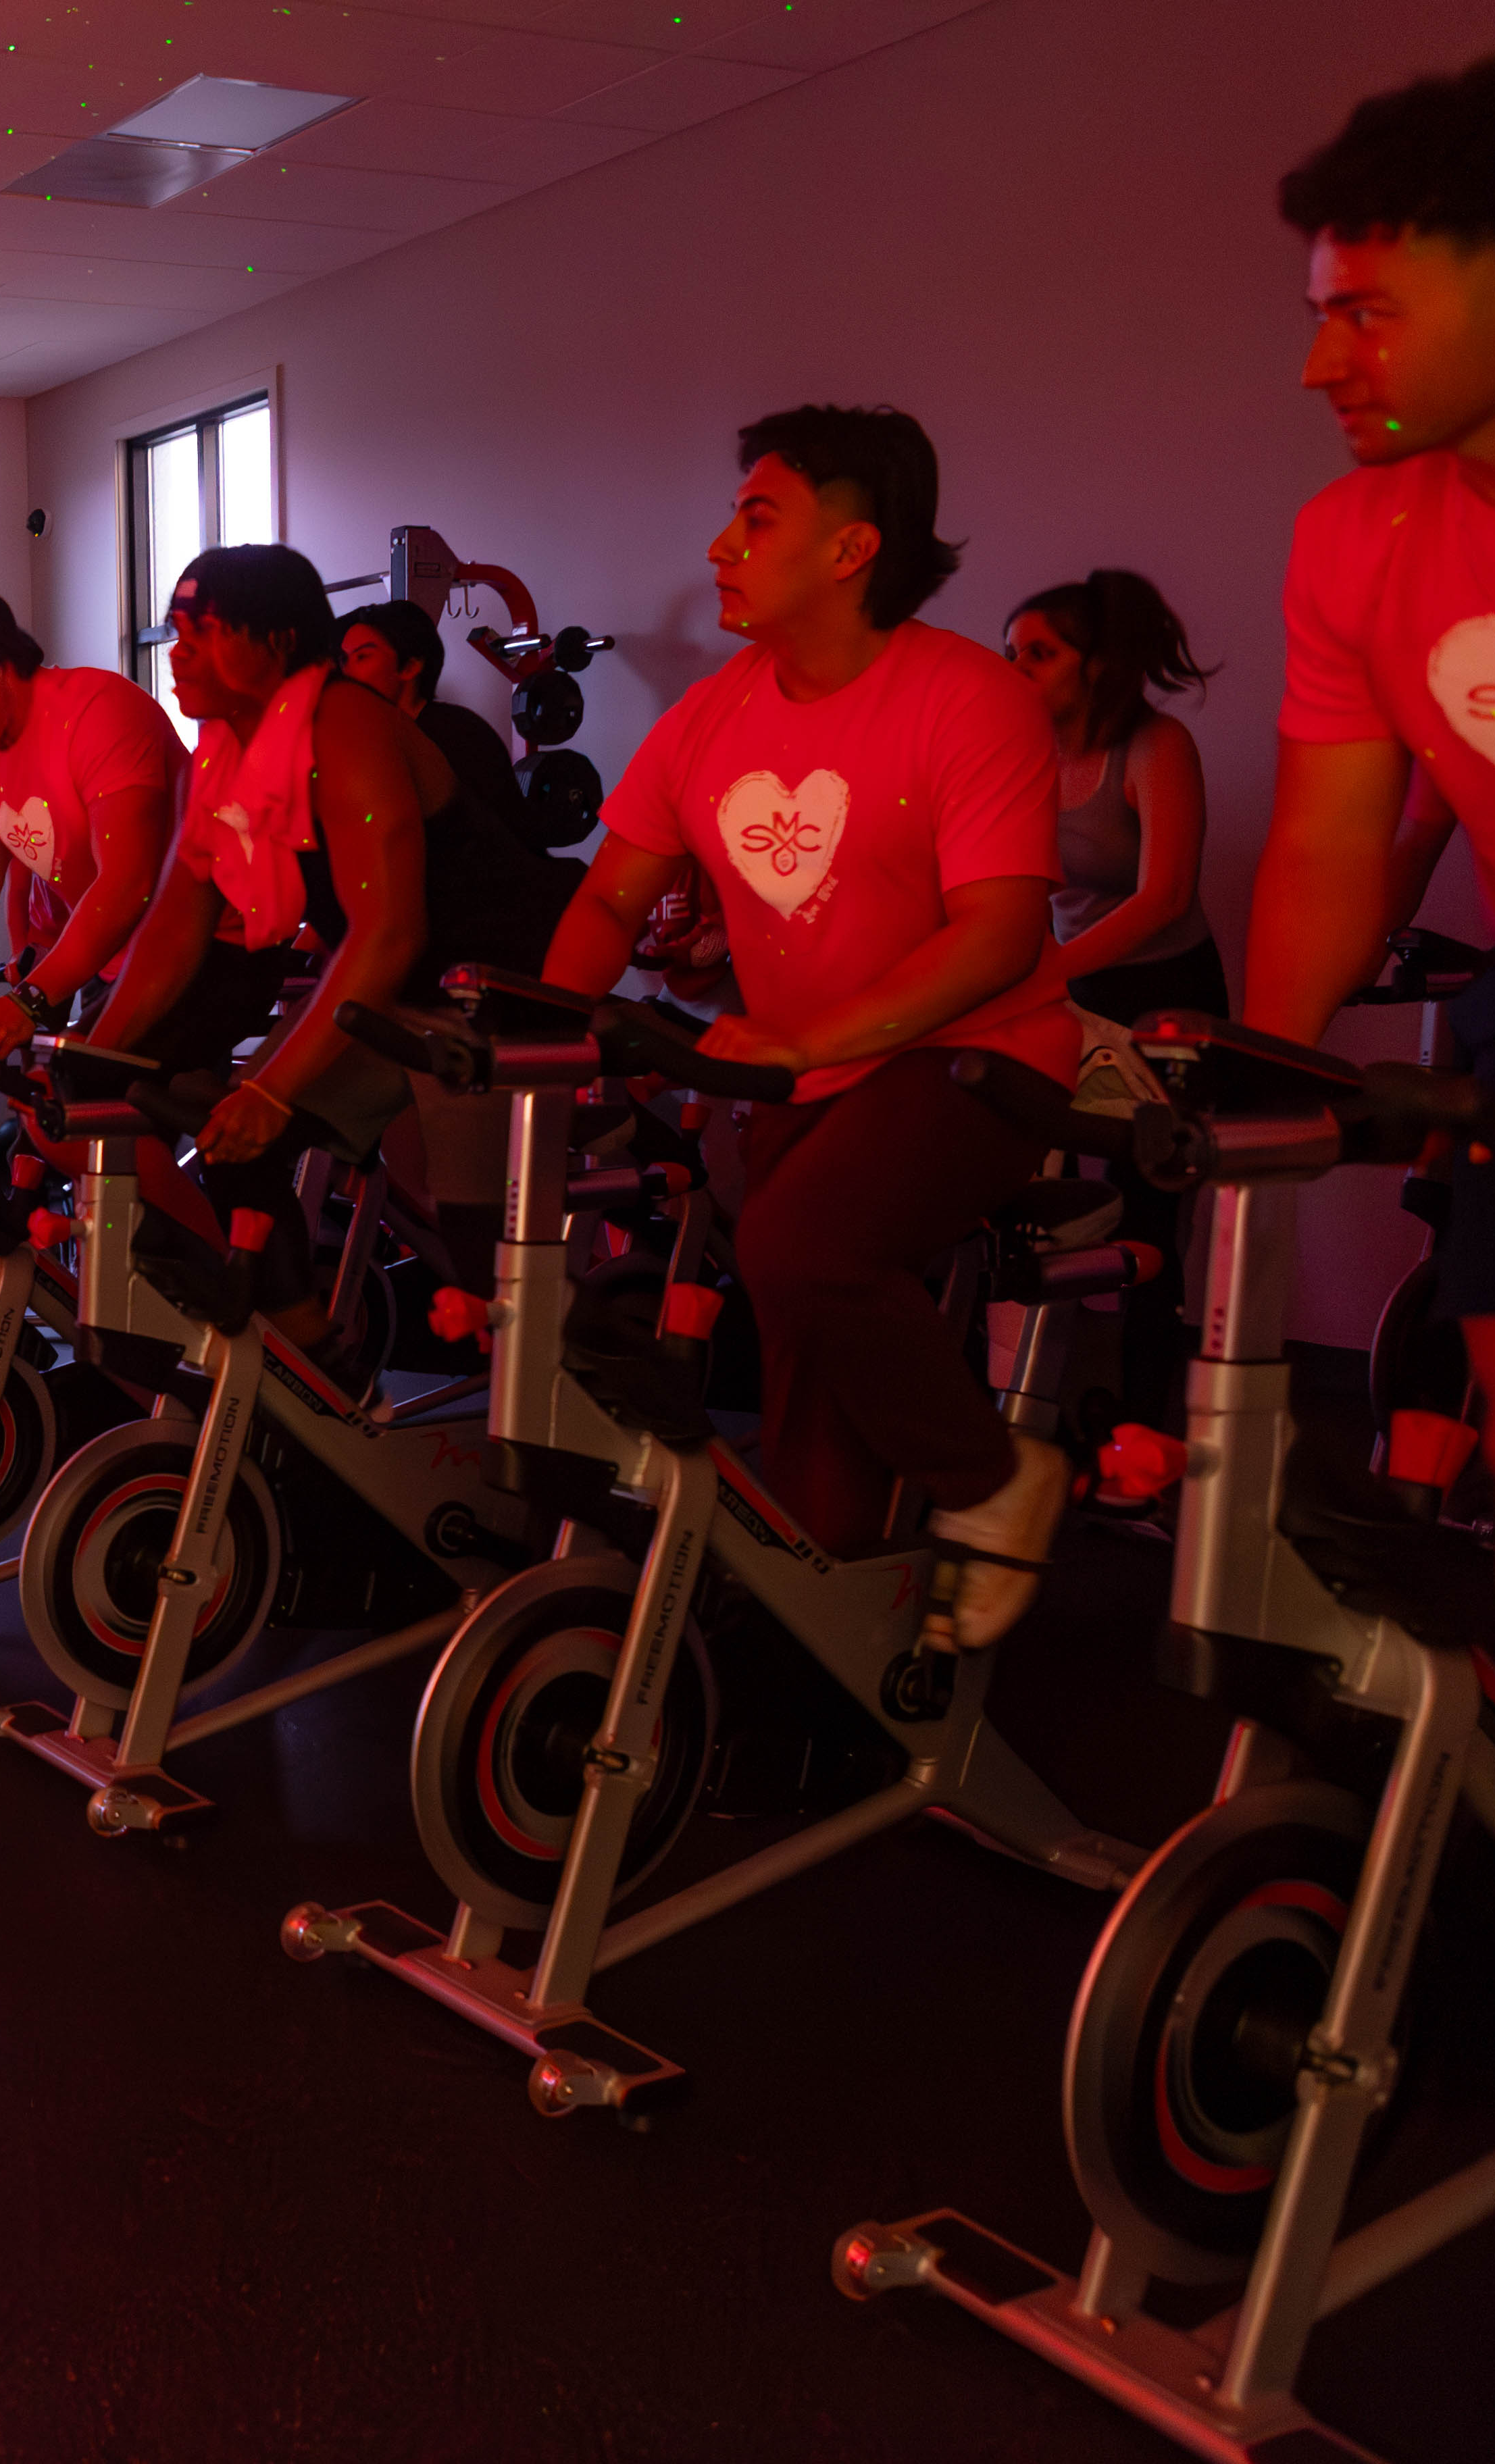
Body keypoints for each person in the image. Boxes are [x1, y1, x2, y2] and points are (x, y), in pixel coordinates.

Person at [538, 405, 1074, 1641]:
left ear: (849, 549)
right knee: (799, 1351)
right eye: (733, 515)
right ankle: (829, 1620)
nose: (722, 543)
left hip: (978, 1061)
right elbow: (612, 891)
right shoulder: (713, 716)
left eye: (756, 516)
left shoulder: (965, 698)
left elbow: (997, 936)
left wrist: (806, 1039)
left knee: (799, 1250)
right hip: (798, 1080)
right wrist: (543, 1027)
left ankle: (999, 1482)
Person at [1240, 48, 1495, 1773]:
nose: (1321, 360)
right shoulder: (1353, 537)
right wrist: (1255, 1067)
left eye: (1367, 313)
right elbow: (1330, 842)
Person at [98, 546, 574, 1343]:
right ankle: (313, 1374)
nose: (177, 652)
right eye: (176, 633)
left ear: (279, 641)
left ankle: (558, 1432)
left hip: (496, 988)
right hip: (397, 992)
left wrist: (272, 1089)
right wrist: (95, 1056)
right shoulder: (218, 758)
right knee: (236, 1148)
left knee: (487, 1256)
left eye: (203, 632)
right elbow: (178, 921)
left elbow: (391, 929)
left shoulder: (346, 726)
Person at [1003, 568, 1223, 1417]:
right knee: (1043, 1192)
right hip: (1072, 986)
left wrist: (1048, 973)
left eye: (1041, 653)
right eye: (1011, 652)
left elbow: (1163, 896)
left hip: (1167, 1000)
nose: (1017, 669)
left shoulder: (1156, 747)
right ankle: (1033, 1409)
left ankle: (1146, 1431)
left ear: (1097, 665)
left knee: (1150, 1215)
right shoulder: (1019, 751)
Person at [0, 581, 182, 1058]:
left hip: (200, 951)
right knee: (47, 1117)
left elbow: (127, 881)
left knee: (84, 1113)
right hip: (112, 960)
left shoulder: (97, 713)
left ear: (1, 667)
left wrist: (29, 1002)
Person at [339, 598, 547, 854]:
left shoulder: (457, 736)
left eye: (362, 657)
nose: (346, 673)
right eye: (344, 660)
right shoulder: (375, 739)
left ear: (410, 666)